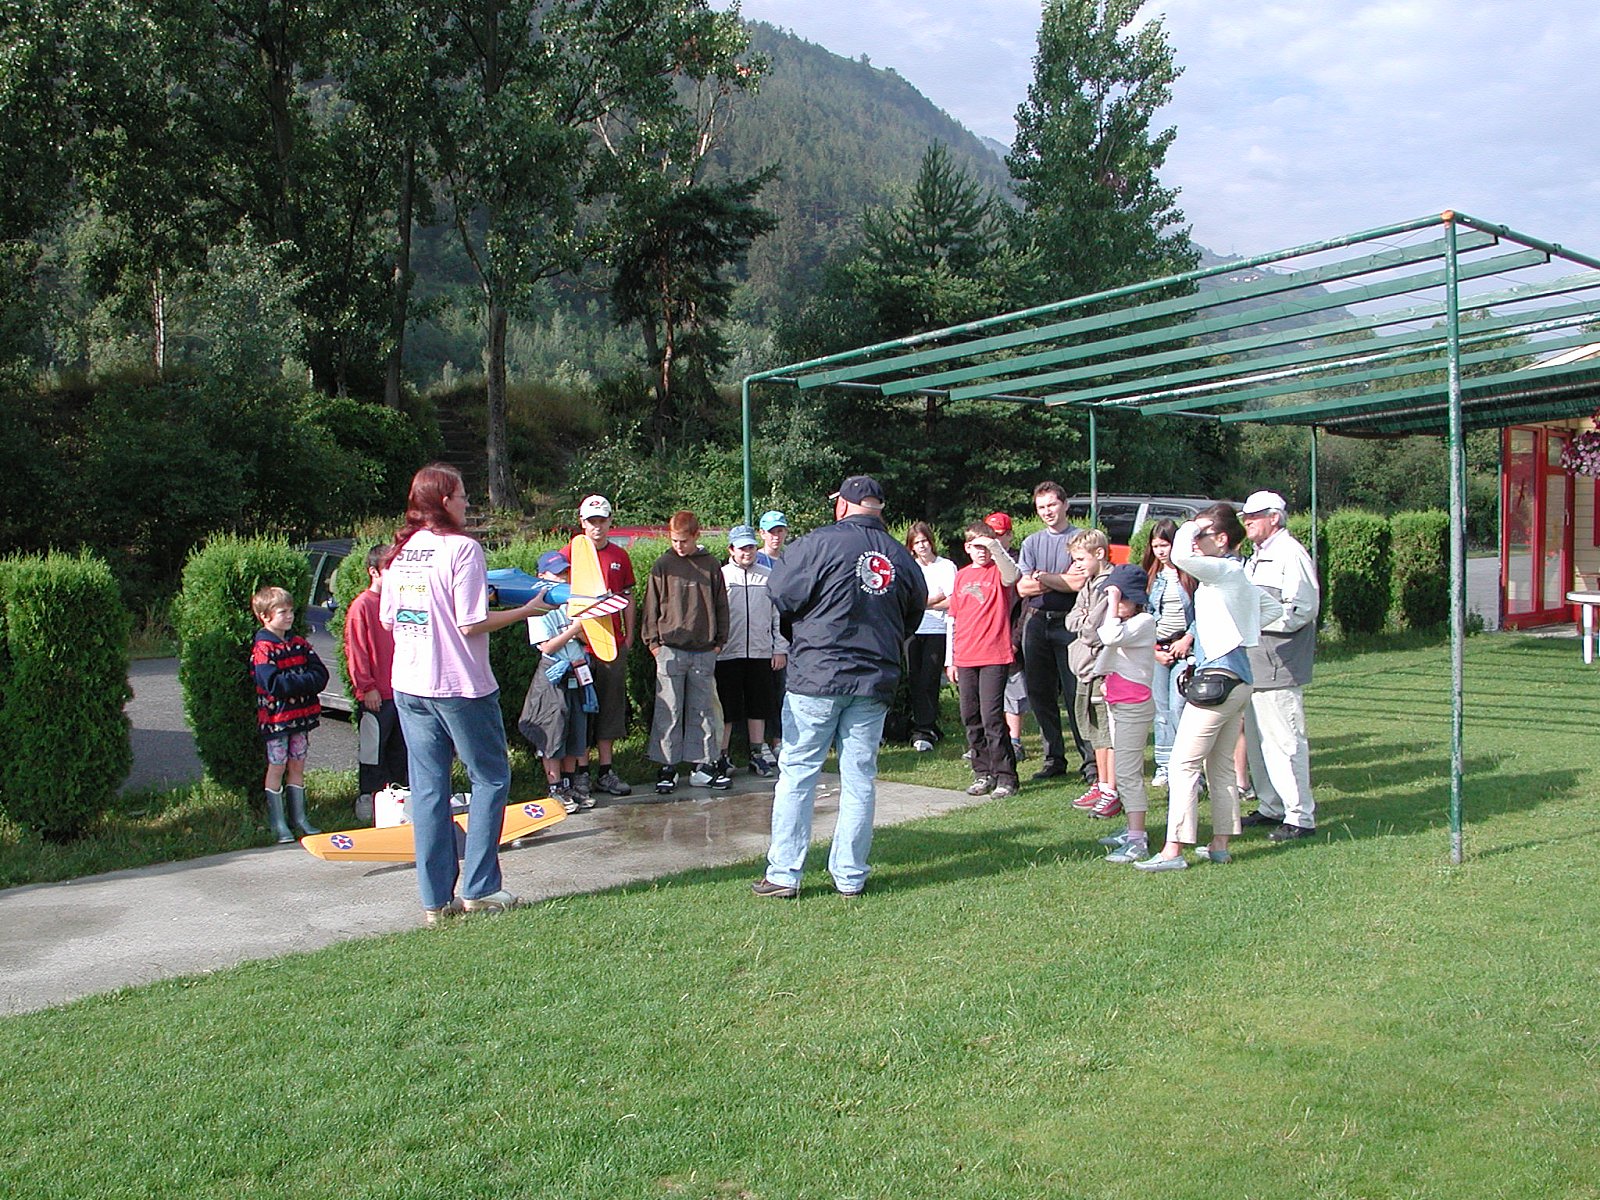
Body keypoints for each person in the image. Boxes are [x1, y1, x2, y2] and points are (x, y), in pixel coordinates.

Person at [381, 463, 548, 925]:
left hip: (409, 684)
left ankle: (436, 901)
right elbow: (470, 622)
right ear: (443, 502)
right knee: (490, 778)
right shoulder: (463, 549)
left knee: (428, 790)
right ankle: (481, 888)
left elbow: (390, 619)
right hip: (459, 685)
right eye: (461, 495)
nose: (467, 502)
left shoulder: (401, 552)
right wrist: (526, 610)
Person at [753, 474, 926, 898]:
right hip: (873, 679)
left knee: (798, 773)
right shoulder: (900, 556)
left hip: (817, 674)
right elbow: (913, 614)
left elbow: (781, 594)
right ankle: (850, 876)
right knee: (860, 778)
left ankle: (784, 874)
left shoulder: (817, 544)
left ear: (843, 505)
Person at [1136, 506, 1282, 872]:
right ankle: (1219, 845)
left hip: (1218, 680)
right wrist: (1236, 631)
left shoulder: (1223, 571)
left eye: (1201, 534)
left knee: (1182, 764)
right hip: (1238, 680)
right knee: (1220, 766)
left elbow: (1182, 556)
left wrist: (1190, 524)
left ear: (1221, 538)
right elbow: (1271, 610)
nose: (1194, 541)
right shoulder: (1235, 574)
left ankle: (1173, 849)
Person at [1239, 490, 1321, 841]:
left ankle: (1300, 816)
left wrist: (1256, 621)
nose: (1247, 522)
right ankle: (1271, 806)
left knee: (1285, 742)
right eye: (1245, 516)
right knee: (1259, 744)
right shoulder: (1255, 556)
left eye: (1254, 516)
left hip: (1280, 663)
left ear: (1274, 517)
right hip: (1255, 664)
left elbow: (1303, 609)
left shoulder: (1290, 553)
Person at [641, 509, 730, 794]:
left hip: (704, 649)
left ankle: (702, 766)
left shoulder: (710, 565)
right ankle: (667, 767)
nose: (679, 546)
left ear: (696, 536)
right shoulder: (663, 565)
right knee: (669, 710)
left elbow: (721, 605)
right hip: (669, 649)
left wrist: (719, 642)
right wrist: (654, 644)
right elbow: (651, 606)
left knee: (702, 711)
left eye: (684, 541)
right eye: (674, 541)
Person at [1017, 481, 1095, 785]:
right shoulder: (1032, 543)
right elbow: (1023, 588)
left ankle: (1090, 761)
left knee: (1076, 693)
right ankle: (1054, 759)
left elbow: (1078, 583)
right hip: (1036, 622)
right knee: (1040, 693)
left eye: (1052, 504)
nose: (1047, 511)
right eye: (1041, 507)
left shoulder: (1080, 539)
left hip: (1071, 623)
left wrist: (1042, 577)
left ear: (1065, 505)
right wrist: (1058, 579)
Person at [945, 522, 1021, 798]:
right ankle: (982, 772)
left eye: (987, 546)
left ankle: (1006, 776)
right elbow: (953, 618)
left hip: (994, 655)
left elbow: (1013, 576)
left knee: (992, 717)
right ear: (967, 548)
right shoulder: (962, 576)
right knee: (971, 716)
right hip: (965, 656)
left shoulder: (998, 571)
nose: (983, 552)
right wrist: (951, 659)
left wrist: (995, 548)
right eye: (977, 546)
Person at [517, 550, 595, 815]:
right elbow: (547, 647)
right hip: (553, 674)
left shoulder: (572, 603)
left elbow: (588, 639)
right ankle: (555, 787)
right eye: (557, 573)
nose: (563, 577)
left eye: (565, 572)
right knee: (552, 732)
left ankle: (570, 784)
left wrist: (582, 630)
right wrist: (574, 629)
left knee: (576, 730)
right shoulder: (537, 608)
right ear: (542, 576)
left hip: (577, 671)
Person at [567, 494, 636, 798]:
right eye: (591, 521)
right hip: (580, 647)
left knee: (610, 708)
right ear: (582, 522)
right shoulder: (570, 553)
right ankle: (581, 772)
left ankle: (606, 771)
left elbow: (628, 597)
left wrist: (629, 635)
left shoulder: (620, 555)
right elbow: (554, 592)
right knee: (582, 709)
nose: (597, 527)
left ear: (610, 522)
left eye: (602, 520)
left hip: (611, 645)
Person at [251, 585, 330, 844]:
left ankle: (300, 818)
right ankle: (278, 823)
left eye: (291, 611)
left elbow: (320, 674)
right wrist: (303, 682)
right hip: (276, 721)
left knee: (298, 764)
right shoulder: (263, 648)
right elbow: (272, 683)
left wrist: (297, 682)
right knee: (277, 766)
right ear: (265, 616)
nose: (289, 616)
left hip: (300, 717)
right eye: (282, 612)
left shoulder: (299, 643)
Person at [1094, 565, 1158, 863]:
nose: (1116, 605)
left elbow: (1109, 637)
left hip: (1134, 706)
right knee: (1123, 771)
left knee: (1128, 774)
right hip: (1119, 703)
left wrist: (1113, 599)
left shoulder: (1144, 621)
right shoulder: (1123, 622)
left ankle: (1137, 839)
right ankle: (1132, 830)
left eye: (1122, 599)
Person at [344, 544, 408, 825]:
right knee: (373, 751)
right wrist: (366, 686)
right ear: (374, 572)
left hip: (401, 691)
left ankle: (399, 802)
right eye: (389, 568)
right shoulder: (362, 606)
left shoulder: (400, 602)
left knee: (400, 751)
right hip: (376, 694)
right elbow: (356, 650)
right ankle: (368, 799)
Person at [716, 524, 786, 778]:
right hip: (728, 653)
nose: (748, 552)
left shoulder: (768, 576)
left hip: (760, 652)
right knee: (728, 708)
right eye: (742, 548)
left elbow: (778, 615)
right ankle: (722, 756)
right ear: (731, 550)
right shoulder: (721, 576)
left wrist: (779, 648)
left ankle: (757, 754)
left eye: (751, 547)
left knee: (759, 706)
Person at [1063, 529, 1117, 815]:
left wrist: (1085, 619)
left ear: (1099, 554)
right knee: (1093, 728)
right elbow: (1071, 620)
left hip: (1102, 666)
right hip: (1086, 667)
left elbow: (1094, 631)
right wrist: (1084, 618)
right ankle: (1101, 782)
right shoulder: (1088, 584)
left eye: (1081, 559)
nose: (1077, 565)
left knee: (1106, 730)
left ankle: (1111, 788)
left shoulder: (1109, 584)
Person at [1144, 519, 1195, 790]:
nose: (1161, 551)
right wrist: (1153, 650)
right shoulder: (1152, 577)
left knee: (1179, 707)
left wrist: (1188, 638)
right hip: (1158, 648)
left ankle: (1186, 764)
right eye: (1156, 546)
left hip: (1184, 649)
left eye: (1165, 545)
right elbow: (1143, 616)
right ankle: (1164, 765)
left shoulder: (1190, 576)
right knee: (1161, 710)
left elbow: (1200, 613)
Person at [985, 510, 1032, 764]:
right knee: (989, 693)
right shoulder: (981, 564)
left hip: (1010, 635)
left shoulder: (1017, 564)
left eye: (1000, 534)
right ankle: (990, 742)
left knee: (1014, 689)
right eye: (990, 534)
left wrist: (1016, 638)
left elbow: (1025, 606)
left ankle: (1014, 741)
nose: (995, 539)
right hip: (985, 638)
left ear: (1010, 536)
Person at [905, 521, 956, 752]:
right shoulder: (909, 568)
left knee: (930, 679)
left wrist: (922, 604)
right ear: (911, 546)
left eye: (925, 541)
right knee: (914, 680)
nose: (922, 546)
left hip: (937, 630)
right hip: (913, 631)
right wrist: (934, 599)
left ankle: (925, 729)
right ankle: (923, 726)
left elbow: (953, 600)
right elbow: (906, 602)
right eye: (917, 543)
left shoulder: (946, 566)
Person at [756, 509, 790, 758]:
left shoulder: (790, 560)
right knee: (762, 691)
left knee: (784, 690)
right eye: (771, 532)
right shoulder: (754, 559)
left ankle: (780, 739)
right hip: (758, 634)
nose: (776, 536)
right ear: (762, 534)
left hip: (785, 635)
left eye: (780, 531)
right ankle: (760, 742)